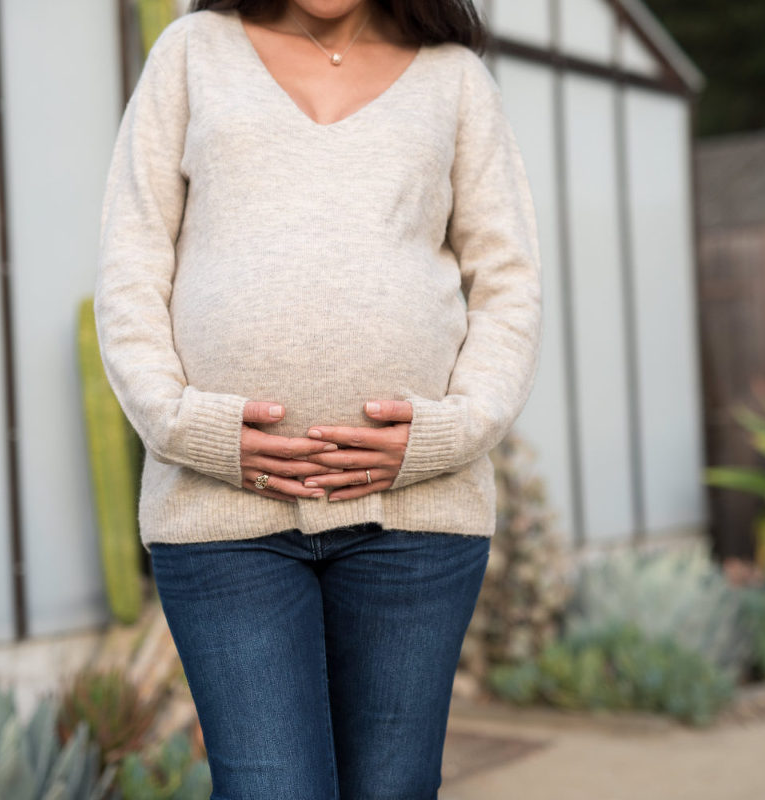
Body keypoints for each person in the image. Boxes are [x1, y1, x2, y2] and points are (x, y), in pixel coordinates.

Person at [92, 0, 542, 795]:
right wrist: (189, 428)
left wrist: (448, 433)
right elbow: (130, 268)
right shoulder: (192, 54)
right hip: (221, 521)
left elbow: (508, 282)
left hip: (416, 521)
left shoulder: (457, 82)